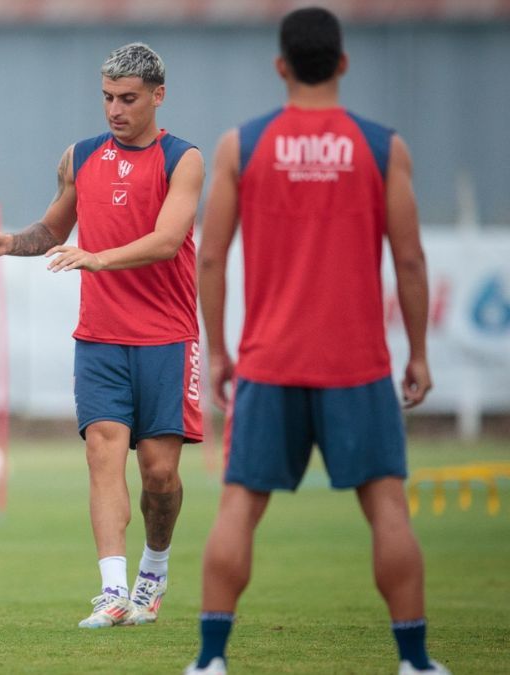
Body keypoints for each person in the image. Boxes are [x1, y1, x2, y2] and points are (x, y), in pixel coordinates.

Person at [187, 7, 444, 675]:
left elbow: (209, 258)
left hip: (270, 364)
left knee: (239, 503)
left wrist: (218, 351)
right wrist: (417, 352)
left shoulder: (241, 145)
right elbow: (410, 260)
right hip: (356, 362)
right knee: (388, 506)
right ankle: (414, 661)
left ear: (281, 66)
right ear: (343, 62)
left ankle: (211, 659)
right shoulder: (383, 147)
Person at [0, 42, 204, 629]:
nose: (115, 110)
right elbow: (55, 226)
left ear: (158, 96)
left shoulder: (184, 159)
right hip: (99, 336)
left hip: (167, 337)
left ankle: (155, 568)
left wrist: (99, 259)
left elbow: (169, 240)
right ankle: (112, 591)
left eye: (128, 99)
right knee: (102, 453)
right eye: (107, 97)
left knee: (159, 475)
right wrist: (11, 244)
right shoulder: (81, 156)